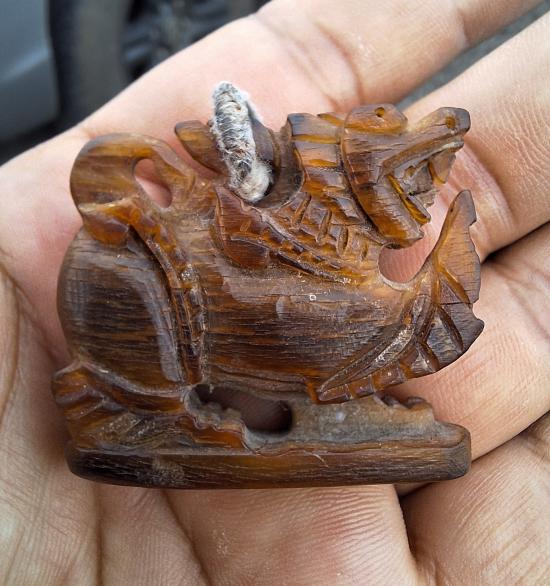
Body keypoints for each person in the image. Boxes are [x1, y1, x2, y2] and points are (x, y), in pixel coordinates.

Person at [0, 1, 548, 583]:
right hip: (143, 306)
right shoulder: (295, 254)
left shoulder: (328, 248)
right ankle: (148, 409)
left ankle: (335, 407)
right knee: (317, 325)